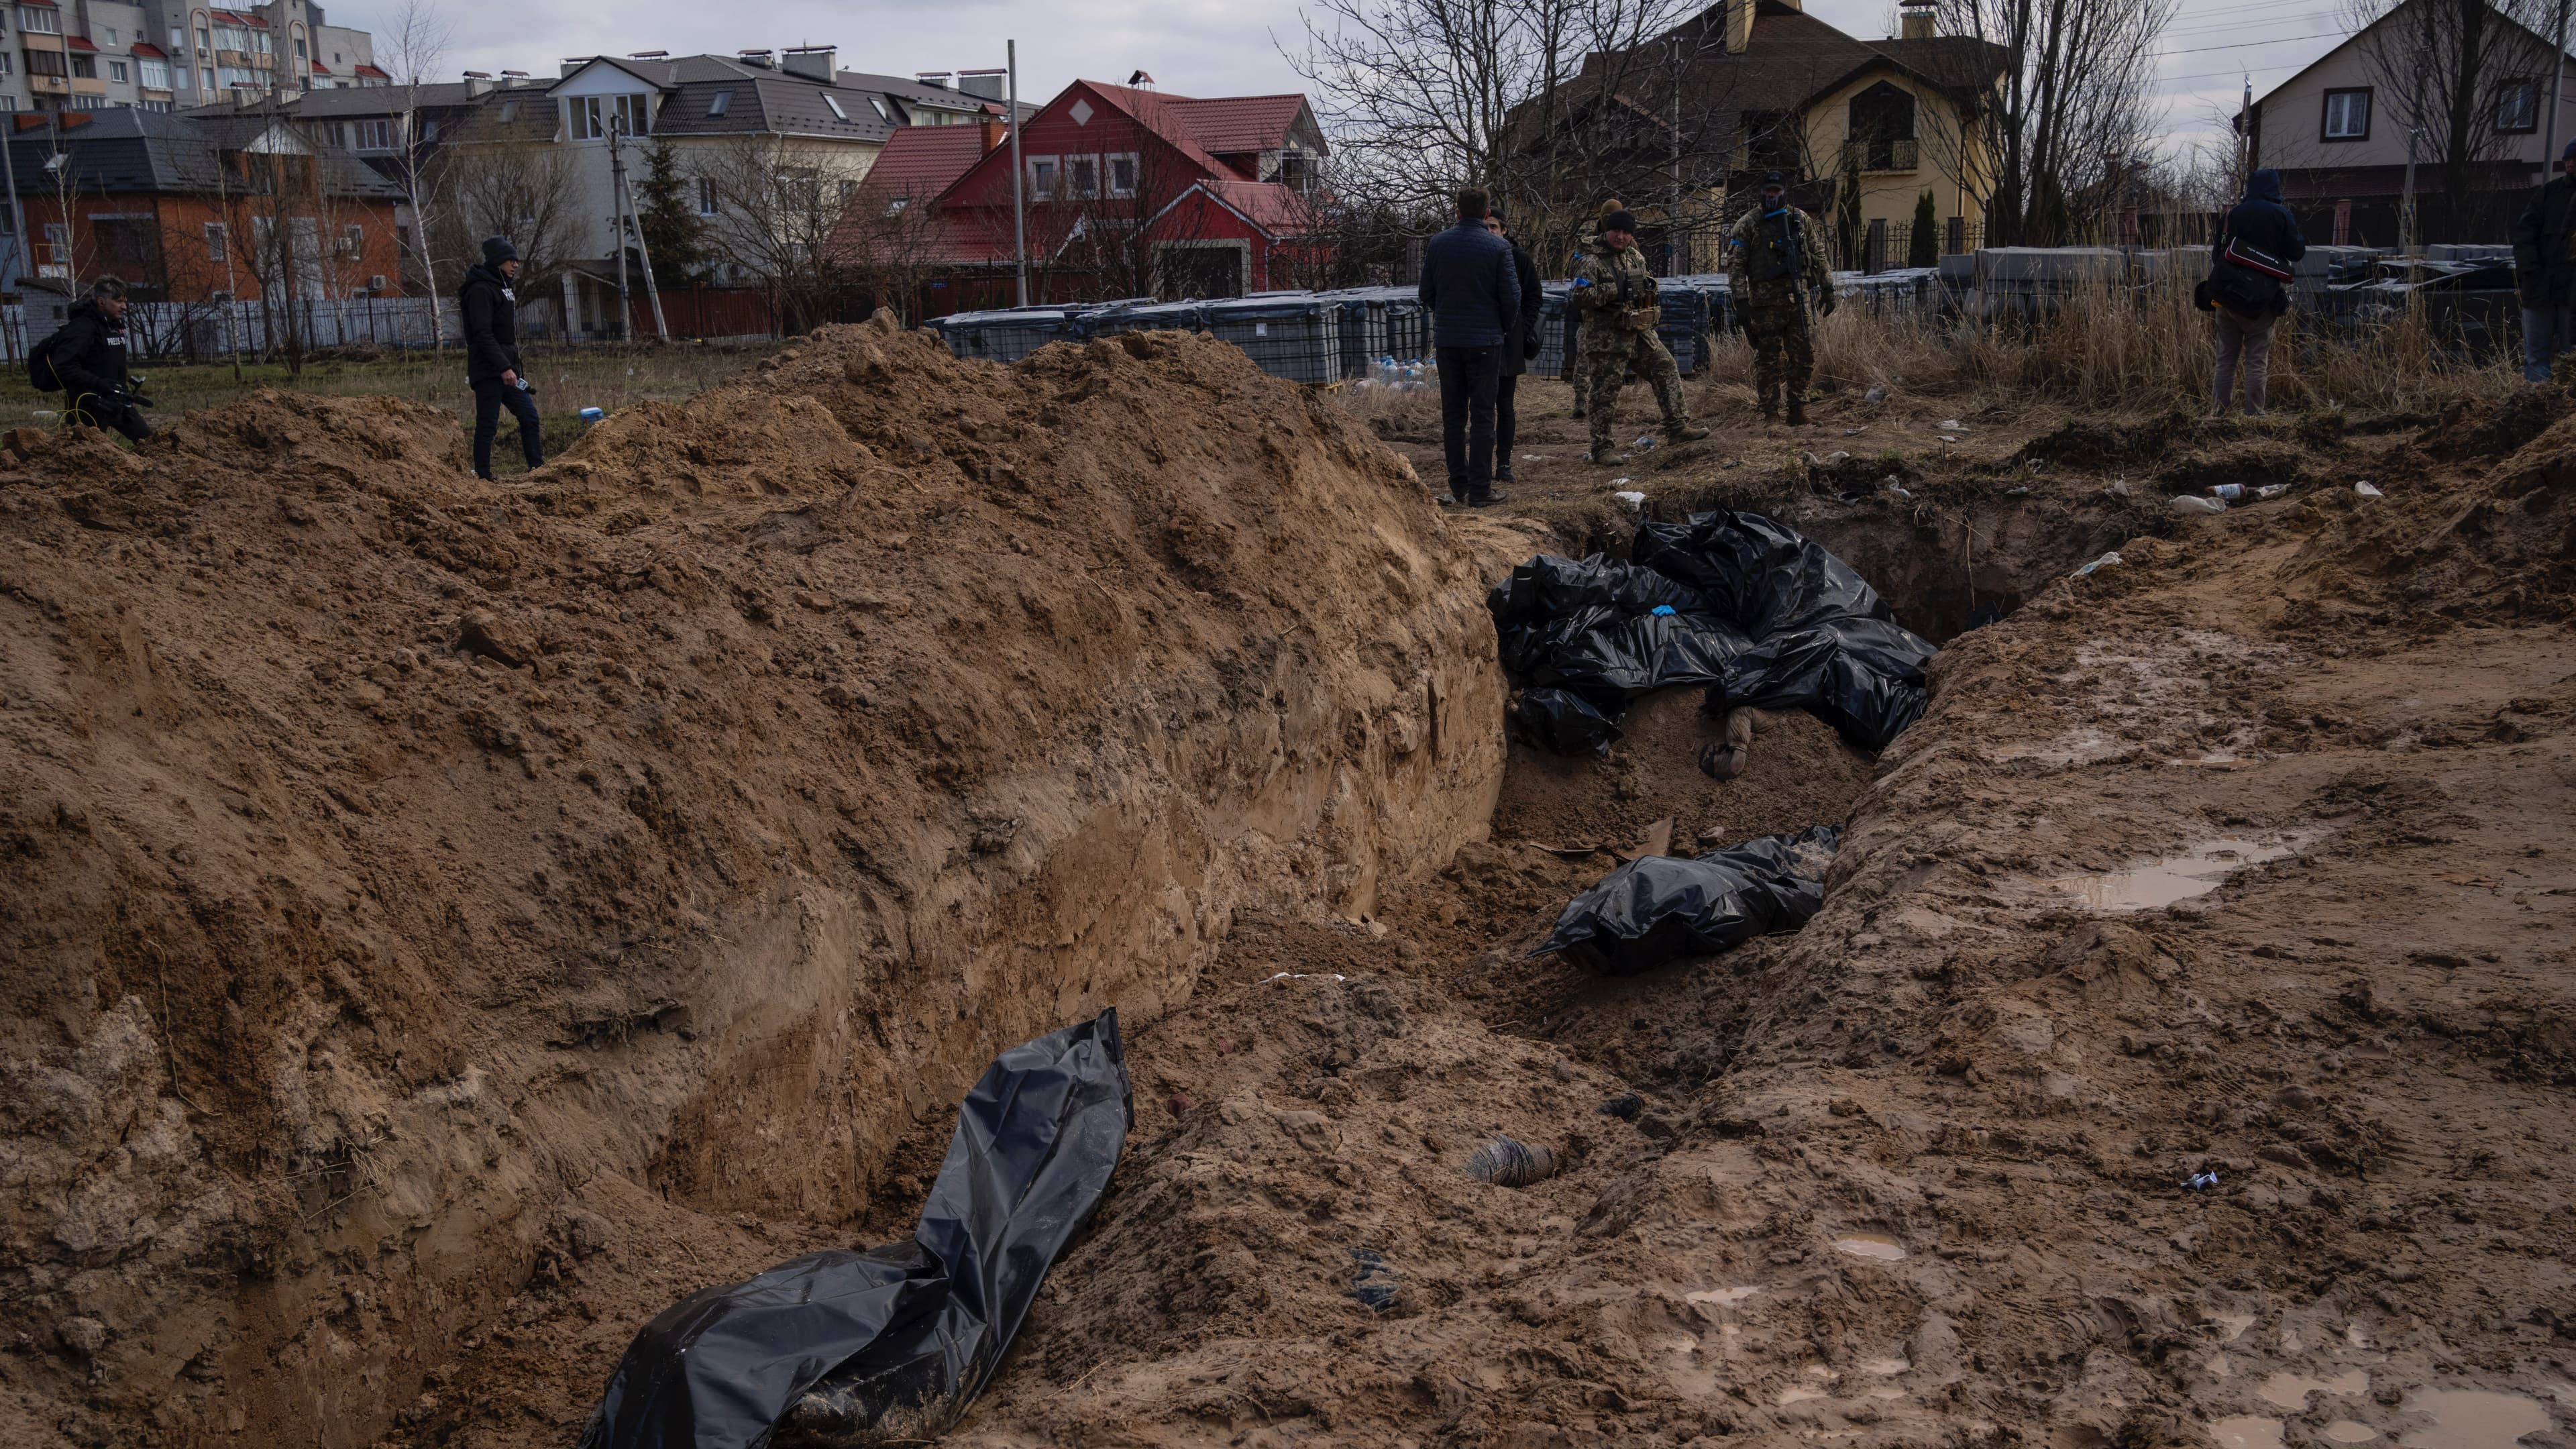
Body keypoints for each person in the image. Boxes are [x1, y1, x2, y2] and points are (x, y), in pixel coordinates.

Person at [1572, 208, 1707, 464]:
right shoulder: (1591, 260)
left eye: (1626, 232)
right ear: (1607, 230)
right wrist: (1615, 290)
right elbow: (1578, 297)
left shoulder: (1635, 257)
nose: (1620, 237)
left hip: (1638, 332)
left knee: (1665, 366)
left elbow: (1646, 286)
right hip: (1606, 337)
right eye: (1616, 231)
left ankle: (1677, 427)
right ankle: (1602, 448)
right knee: (1605, 392)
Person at [1417, 184, 1521, 505]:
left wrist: (1447, 315)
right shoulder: (1498, 248)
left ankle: (1458, 486)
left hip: (1449, 342)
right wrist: (1501, 327)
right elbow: (1512, 297)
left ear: (1457, 211)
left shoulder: (1438, 244)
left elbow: (1426, 293)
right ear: (1487, 213)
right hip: (1486, 343)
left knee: (1453, 416)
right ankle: (1480, 490)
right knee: (1483, 416)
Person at [1723, 173, 1831, 425]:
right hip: (1764, 303)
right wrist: (1741, 301)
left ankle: (1798, 409)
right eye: (1768, 192)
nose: (1772, 196)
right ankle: (1771, 412)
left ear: (1784, 192)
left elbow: (1818, 253)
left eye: (1777, 192)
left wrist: (1828, 287)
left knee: (1804, 355)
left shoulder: (1800, 219)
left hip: (1798, 300)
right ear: (1762, 192)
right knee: (1768, 358)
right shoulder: (1748, 223)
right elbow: (1736, 265)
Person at [2205, 168, 2305, 417]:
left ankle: (2219, 414)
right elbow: (2297, 253)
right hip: (2262, 301)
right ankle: (2254, 415)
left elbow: (2217, 255)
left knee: (2226, 359)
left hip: (2227, 298)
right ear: (2275, 189)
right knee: (2256, 360)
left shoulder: (2232, 215)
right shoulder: (2282, 215)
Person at [461, 235, 544, 480]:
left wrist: (514, 369)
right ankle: (483, 476)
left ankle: (537, 468)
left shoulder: (503, 287)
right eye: (511, 260)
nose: (516, 264)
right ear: (497, 261)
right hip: (489, 371)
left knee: (530, 417)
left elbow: (507, 337)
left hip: (509, 371)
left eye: (516, 260)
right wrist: (504, 367)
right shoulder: (480, 289)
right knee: (488, 424)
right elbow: (483, 334)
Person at [50, 278, 154, 441]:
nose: (124, 307)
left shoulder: (115, 325)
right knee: (87, 454)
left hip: (117, 400)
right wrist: (98, 383)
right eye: (119, 301)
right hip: (87, 404)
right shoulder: (82, 327)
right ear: (101, 302)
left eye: (125, 302)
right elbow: (64, 367)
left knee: (150, 442)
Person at [1484, 207, 1544, 484]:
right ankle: (1481, 463)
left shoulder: (1520, 260)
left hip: (1508, 342)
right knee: (1481, 407)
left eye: (1494, 227)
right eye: (1485, 227)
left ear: (1505, 230)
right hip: (1480, 341)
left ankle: (1504, 463)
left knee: (1505, 406)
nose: (1489, 232)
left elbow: (1533, 298)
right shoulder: (1476, 258)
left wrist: (1522, 329)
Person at [2513, 140, 2576, 383]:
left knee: (2569, 358)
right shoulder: (2549, 193)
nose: (2570, 164)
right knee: (2536, 357)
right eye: (2567, 159)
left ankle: (2565, 411)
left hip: (2570, 293)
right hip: (2540, 288)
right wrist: (2530, 272)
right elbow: (2523, 234)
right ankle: (2536, 408)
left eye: (2574, 159)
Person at [1566, 197, 1623, 419]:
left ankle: (1604, 404)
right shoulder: (1588, 244)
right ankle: (1581, 399)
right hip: (1591, 311)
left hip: (1617, 312)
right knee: (1584, 356)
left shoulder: (1626, 242)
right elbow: (1573, 271)